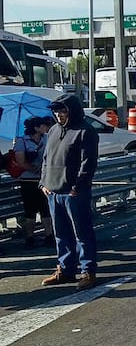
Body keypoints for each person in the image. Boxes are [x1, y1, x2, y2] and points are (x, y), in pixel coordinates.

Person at [39, 93, 100, 291]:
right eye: (56, 111)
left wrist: (78, 187)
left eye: (62, 111)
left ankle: (88, 271)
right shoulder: (53, 130)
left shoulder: (86, 131)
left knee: (82, 232)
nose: (59, 115)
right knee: (61, 233)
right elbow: (46, 158)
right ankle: (65, 270)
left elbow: (88, 163)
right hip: (53, 190)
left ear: (72, 110)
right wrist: (43, 182)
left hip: (74, 192)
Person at [13, 115, 55, 248]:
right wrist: (34, 169)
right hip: (28, 179)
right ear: (36, 128)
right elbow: (20, 161)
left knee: (45, 208)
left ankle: (49, 235)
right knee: (30, 210)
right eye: (43, 125)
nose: (46, 127)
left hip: (44, 179)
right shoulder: (22, 141)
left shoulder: (46, 138)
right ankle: (30, 237)